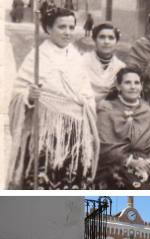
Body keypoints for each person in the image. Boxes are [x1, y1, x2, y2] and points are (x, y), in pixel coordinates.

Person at [7, 7, 98, 190]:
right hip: (44, 132)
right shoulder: (37, 56)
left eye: (71, 27)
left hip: (74, 133)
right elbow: (18, 93)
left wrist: (84, 102)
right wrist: (29, 96)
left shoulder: (76, 57)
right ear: (48, 29)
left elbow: (86, 92)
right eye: (61, 27)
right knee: (43, 176)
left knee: (71, 178)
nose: (67, 32)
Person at [95, 67, 150, 189]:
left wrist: (148, 162)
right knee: (129, 186)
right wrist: (129, 161)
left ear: (141, 86)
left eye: (136, 83)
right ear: (118, 86)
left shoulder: (148, 112)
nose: (133, 87)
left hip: (145, 163)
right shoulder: (107, 110)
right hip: (114, 163)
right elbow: (105, 146)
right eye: (127, 82)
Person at [85, 23, 126, 103]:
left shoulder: (121, 67)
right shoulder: (82, 62)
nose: (106, 42)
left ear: (116, 42)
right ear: (94, 39)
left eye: (111, 38)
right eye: (102, 37)